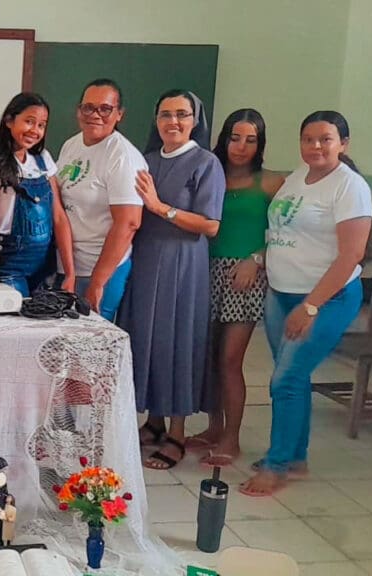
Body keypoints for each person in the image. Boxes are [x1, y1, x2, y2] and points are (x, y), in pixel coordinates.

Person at [240, 111, 371, 496]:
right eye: (308, 139)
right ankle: (295, 458)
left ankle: (277, 465)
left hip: (326, 299)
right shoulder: (298, 178)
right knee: (293, 377)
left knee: (285, 380)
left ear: (343, 144)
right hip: (282, 293)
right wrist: (259, 258)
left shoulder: (349, 186)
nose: (315, 146)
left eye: (325, 139)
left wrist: (311, 306)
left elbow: (351, 255)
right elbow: (280, 232)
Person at [121, 89, 225, 470]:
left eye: (182, 114)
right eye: (165, 114)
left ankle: (177, 433)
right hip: (146, 261)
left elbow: (210, 225)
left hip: (183, 266)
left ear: (195, 120)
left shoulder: (206, 163)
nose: (173, 122)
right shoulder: (146, 160)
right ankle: (154, 422)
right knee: (146, 339)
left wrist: (160, 208)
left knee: (176, 341)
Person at [195, 109, 284, 467]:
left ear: (260, 144)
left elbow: (286, 232)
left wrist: (257, 259)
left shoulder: (271, 182)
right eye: (235, 138)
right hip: (205, 272)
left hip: (244, 276)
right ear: (224, 138)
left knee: (231, 360)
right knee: (210, 359)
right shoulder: (211, 173)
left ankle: (232, 439)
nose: (241, 147)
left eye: (251, 140)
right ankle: (214, 428)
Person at [54, 79, 145, 321]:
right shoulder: (71, 145)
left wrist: (98, 282)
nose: (95, 115)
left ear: (119, 114)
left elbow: (129, 223)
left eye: (105, 109)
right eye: (88, 108)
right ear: (78, 111)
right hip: (68, 267)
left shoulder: (122, 156)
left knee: (91, 339)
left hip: (102, 271)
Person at [0, 92, 75, 296]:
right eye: (29, 121)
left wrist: (70, 273)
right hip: (9, 266)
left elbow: (59, 217)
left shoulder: (43, 159)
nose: (35, 130)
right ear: (9, 121)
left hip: (44, 266)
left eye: (41, 125)